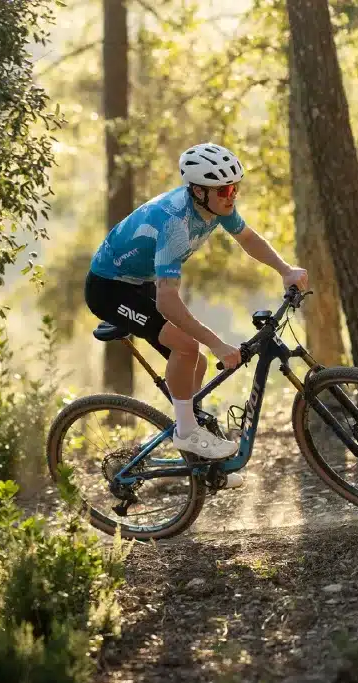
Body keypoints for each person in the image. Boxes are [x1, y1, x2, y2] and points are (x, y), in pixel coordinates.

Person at [84, 142, 309, 466]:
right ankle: (187, 433)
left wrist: (285, 269)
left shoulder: (216, 207)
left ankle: (197, 455)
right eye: (225, 190)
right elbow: (167, 302)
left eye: (235, 188)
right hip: (109, 289)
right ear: (199, 191)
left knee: (197, 363)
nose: (232, 196)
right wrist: (218, 344)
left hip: (136, 282)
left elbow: (248, 239)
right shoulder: (175, 222)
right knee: (188, 348)